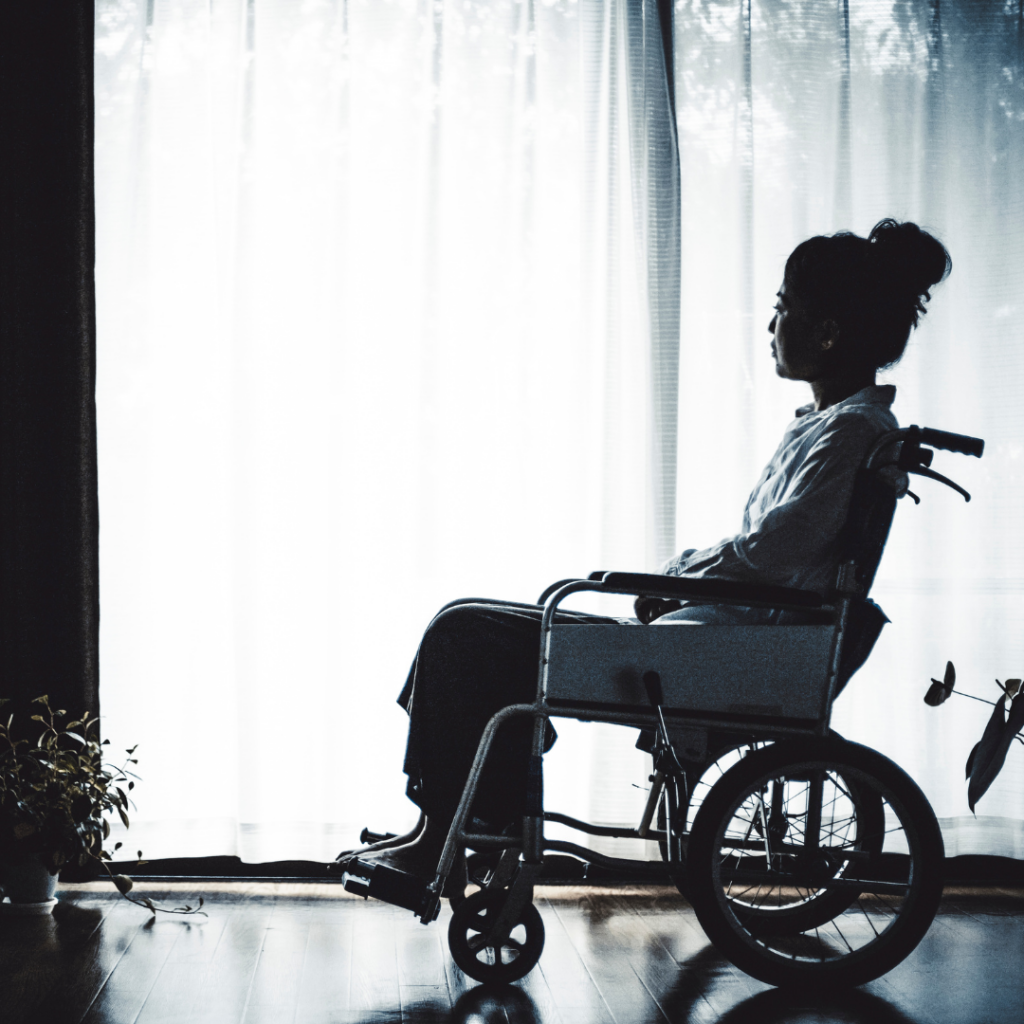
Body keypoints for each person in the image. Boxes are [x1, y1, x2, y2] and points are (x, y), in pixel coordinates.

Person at [336, 218, 951, 881]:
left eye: (782, 310)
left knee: (465, 635)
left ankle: (456, 837)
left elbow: (773, 550)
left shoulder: (851, 433)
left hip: (723, 652)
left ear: (827, 332)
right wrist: (685, 577)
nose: (770, 326)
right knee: (462, 628)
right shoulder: (836, 427)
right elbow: (769, 549)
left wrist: (684, 579)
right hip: (715, 636)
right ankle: (451, 828)